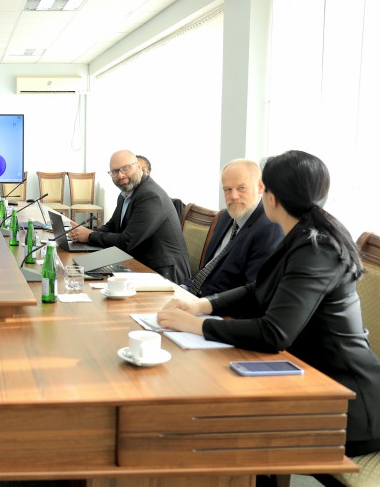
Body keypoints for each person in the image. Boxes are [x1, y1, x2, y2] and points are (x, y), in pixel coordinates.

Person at [159, 150, 380, 459]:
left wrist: (196, 326)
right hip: (306, 376)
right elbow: (258, 289)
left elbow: (274, 333)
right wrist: (203, 306)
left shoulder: (316, 248)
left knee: (221, 429)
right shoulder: (300, 234)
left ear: (271, 197)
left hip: (346, 402)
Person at [70, 150, 190, 283]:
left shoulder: (150, 195)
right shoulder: (125, 194)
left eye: (126, 168)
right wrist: (82, 233)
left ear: (138, 167)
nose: (121, 175)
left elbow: (127, 242)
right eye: (115, 171)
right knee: (79, 272)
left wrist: (89, 236)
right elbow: (112, 226)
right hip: (137, 262)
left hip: (163, 274)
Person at [182, 159, 283, 296]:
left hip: (217, 306)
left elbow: (253, 294)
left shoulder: (270, 229)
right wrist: (182, 289)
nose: (233, 196)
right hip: (192, 294)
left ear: (260, 187)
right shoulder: (225, 216)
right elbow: (207, 270)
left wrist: (202, 305)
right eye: (227, 190)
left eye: (241, 188)